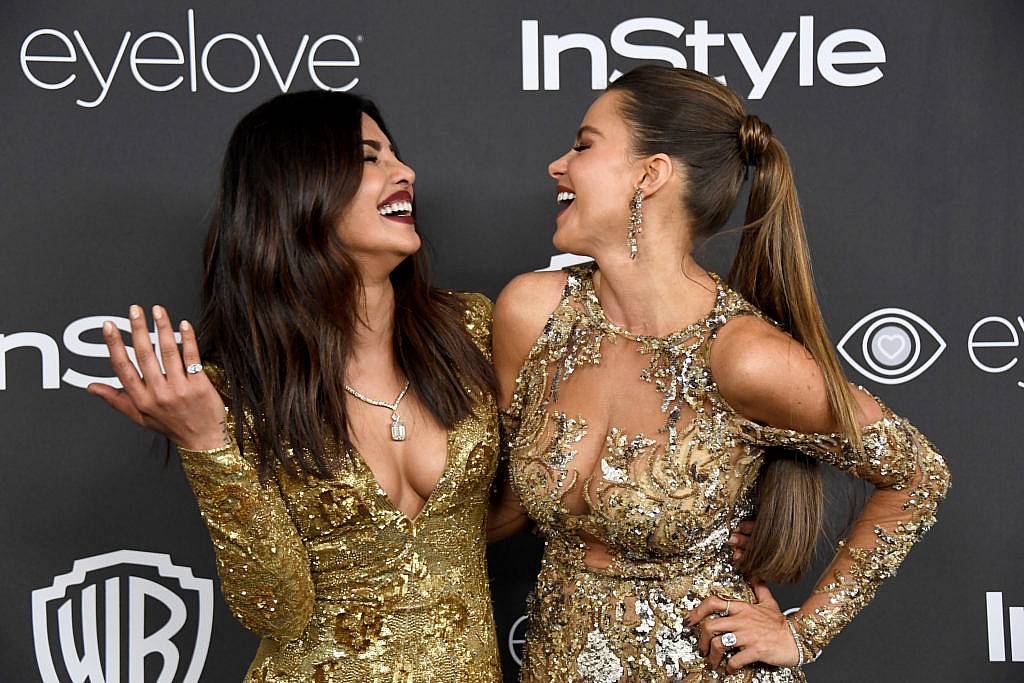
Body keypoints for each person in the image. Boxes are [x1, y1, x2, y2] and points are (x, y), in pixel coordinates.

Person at [490, 65, 951, 682]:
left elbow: (918, 474)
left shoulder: (744, 356)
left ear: (649, 175)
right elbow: (503, 504)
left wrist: (804, 631)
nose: (558, 165)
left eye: (583, 144)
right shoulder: (532, 312)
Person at [87, 91, 503, 682]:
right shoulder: (237, 387)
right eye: (368, 158)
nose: (404, 172)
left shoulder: (471, 330)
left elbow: (538, 492)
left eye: (394, 154)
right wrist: (208, 445)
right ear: (296, 188)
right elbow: (277, 610)